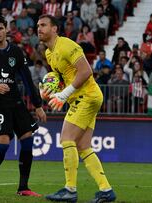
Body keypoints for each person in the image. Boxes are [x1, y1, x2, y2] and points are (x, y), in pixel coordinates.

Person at [37, 15, 116, 203]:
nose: (39, 28)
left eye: (43, 25)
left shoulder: (66, 45)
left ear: (55, 28)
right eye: (38, 25)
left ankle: (70, 189)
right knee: (83, 146)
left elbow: (86, 71)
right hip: (87, 97)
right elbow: (60, 77)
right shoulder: (49, 53)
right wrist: (47, 89)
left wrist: (64, 95)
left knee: (67, 139)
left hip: (86, 96)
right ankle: (106, 190)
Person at [0, 15, 47, 197]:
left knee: (28, 140)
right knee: (3, 145)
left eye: (0, 28)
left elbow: (26, 79)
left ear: (6, 29)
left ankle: (23, 187)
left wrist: (37, 105)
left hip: (16, 103)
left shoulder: (15, 51)